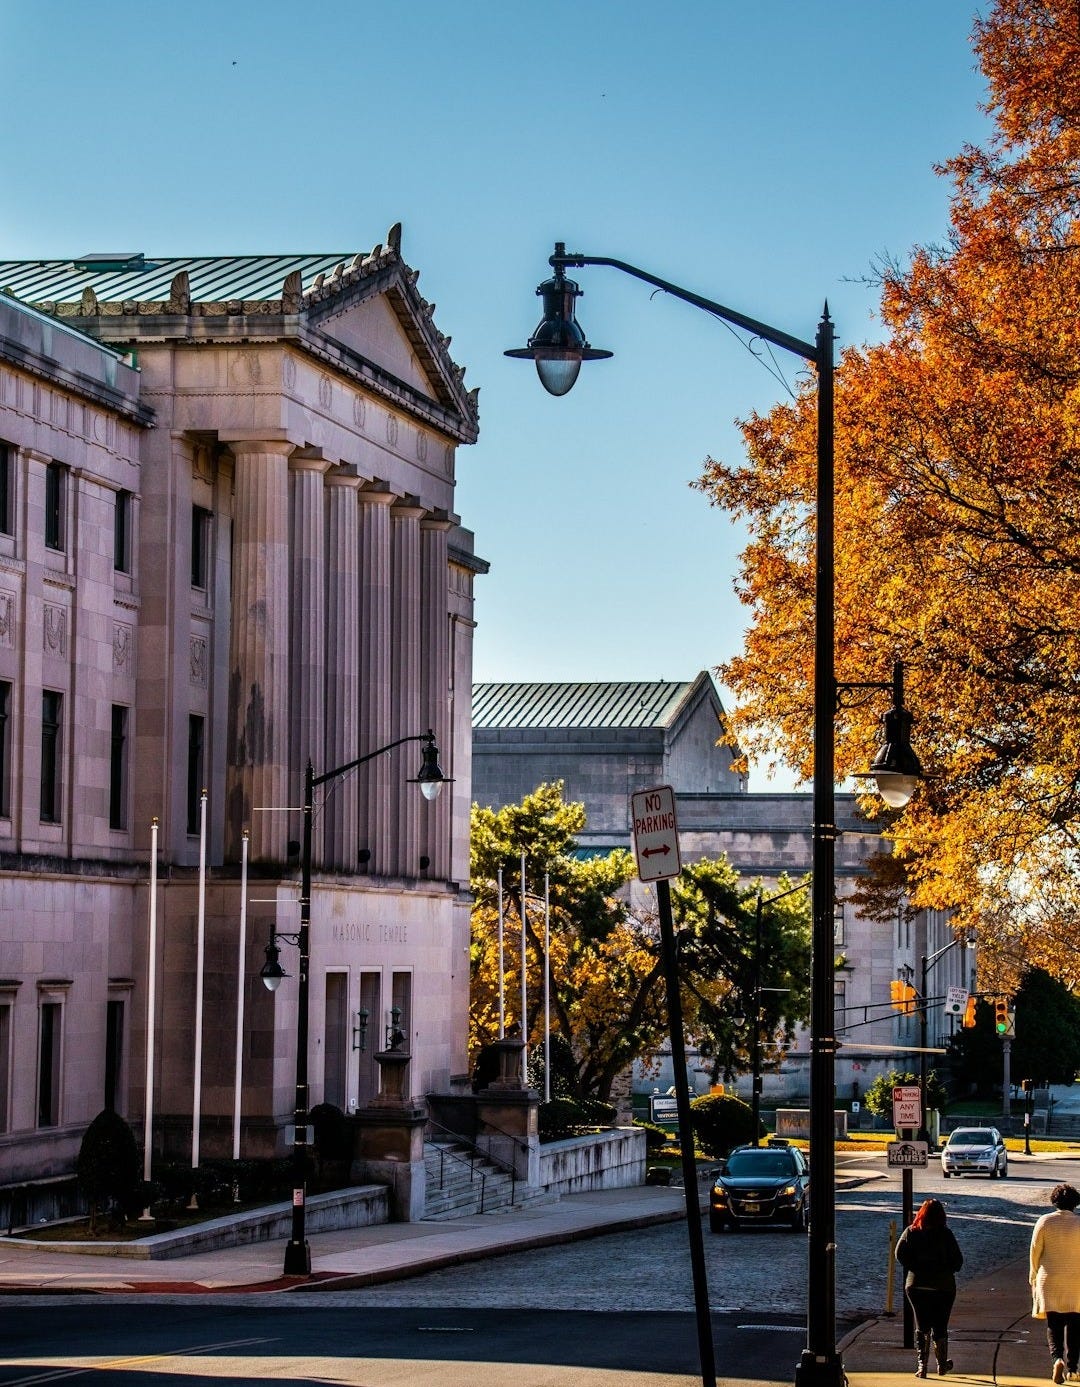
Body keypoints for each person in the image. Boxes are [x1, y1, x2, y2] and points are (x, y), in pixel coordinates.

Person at [896, 1197, 964, 1378]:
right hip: (943, 1286)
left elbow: (899, 1253)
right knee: (940, 1325)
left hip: (916, 1284)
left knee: (922, 1324)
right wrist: (945, 1269)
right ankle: (942, 1365)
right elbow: (958, 1261)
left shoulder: (911, 1232)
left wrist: (915, 1267)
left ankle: (922, 1366)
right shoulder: (946, 1234)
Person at [1030, 1183, 1080, 1383]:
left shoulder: (1044, 1222)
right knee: (1076, 1327)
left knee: (1054, 1324)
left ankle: (1057, 1358)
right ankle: (1073, 1369)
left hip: (1049, 1279)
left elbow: (1035, 1252)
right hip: (1076, 1281)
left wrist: (1033, 1275)